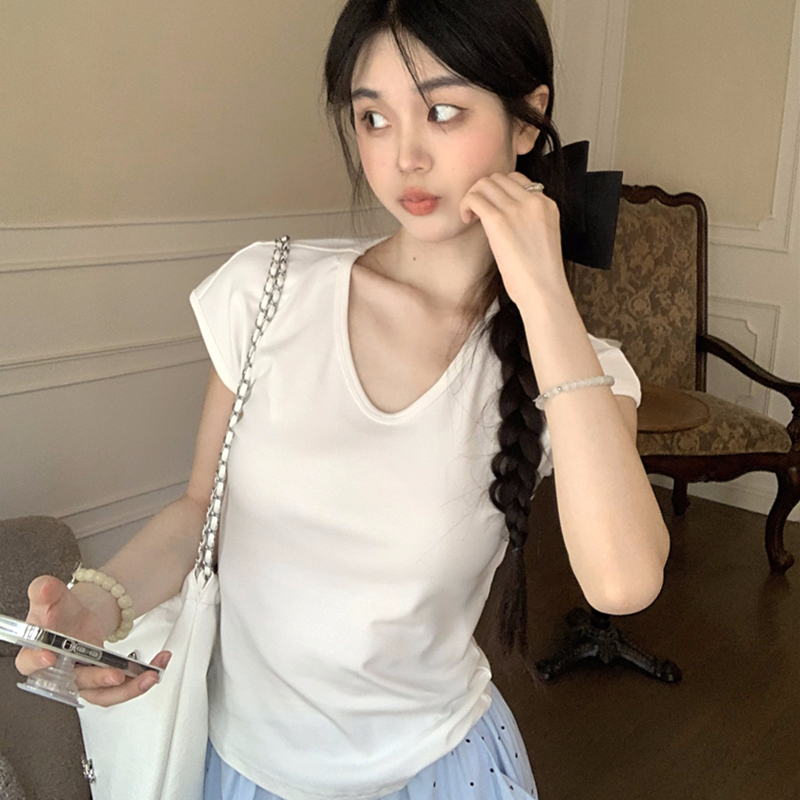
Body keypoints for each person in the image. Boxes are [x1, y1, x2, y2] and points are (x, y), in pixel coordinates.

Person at [16, 0, 671, 798]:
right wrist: (97, 605)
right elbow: (198, 510)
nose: (405, 157)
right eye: (373, 118)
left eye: (442, 111)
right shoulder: (266, 292)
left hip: (438, 771)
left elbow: (622, 584)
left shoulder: (575, 369)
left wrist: (543, 297)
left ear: (528, 119)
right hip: (242, 769)